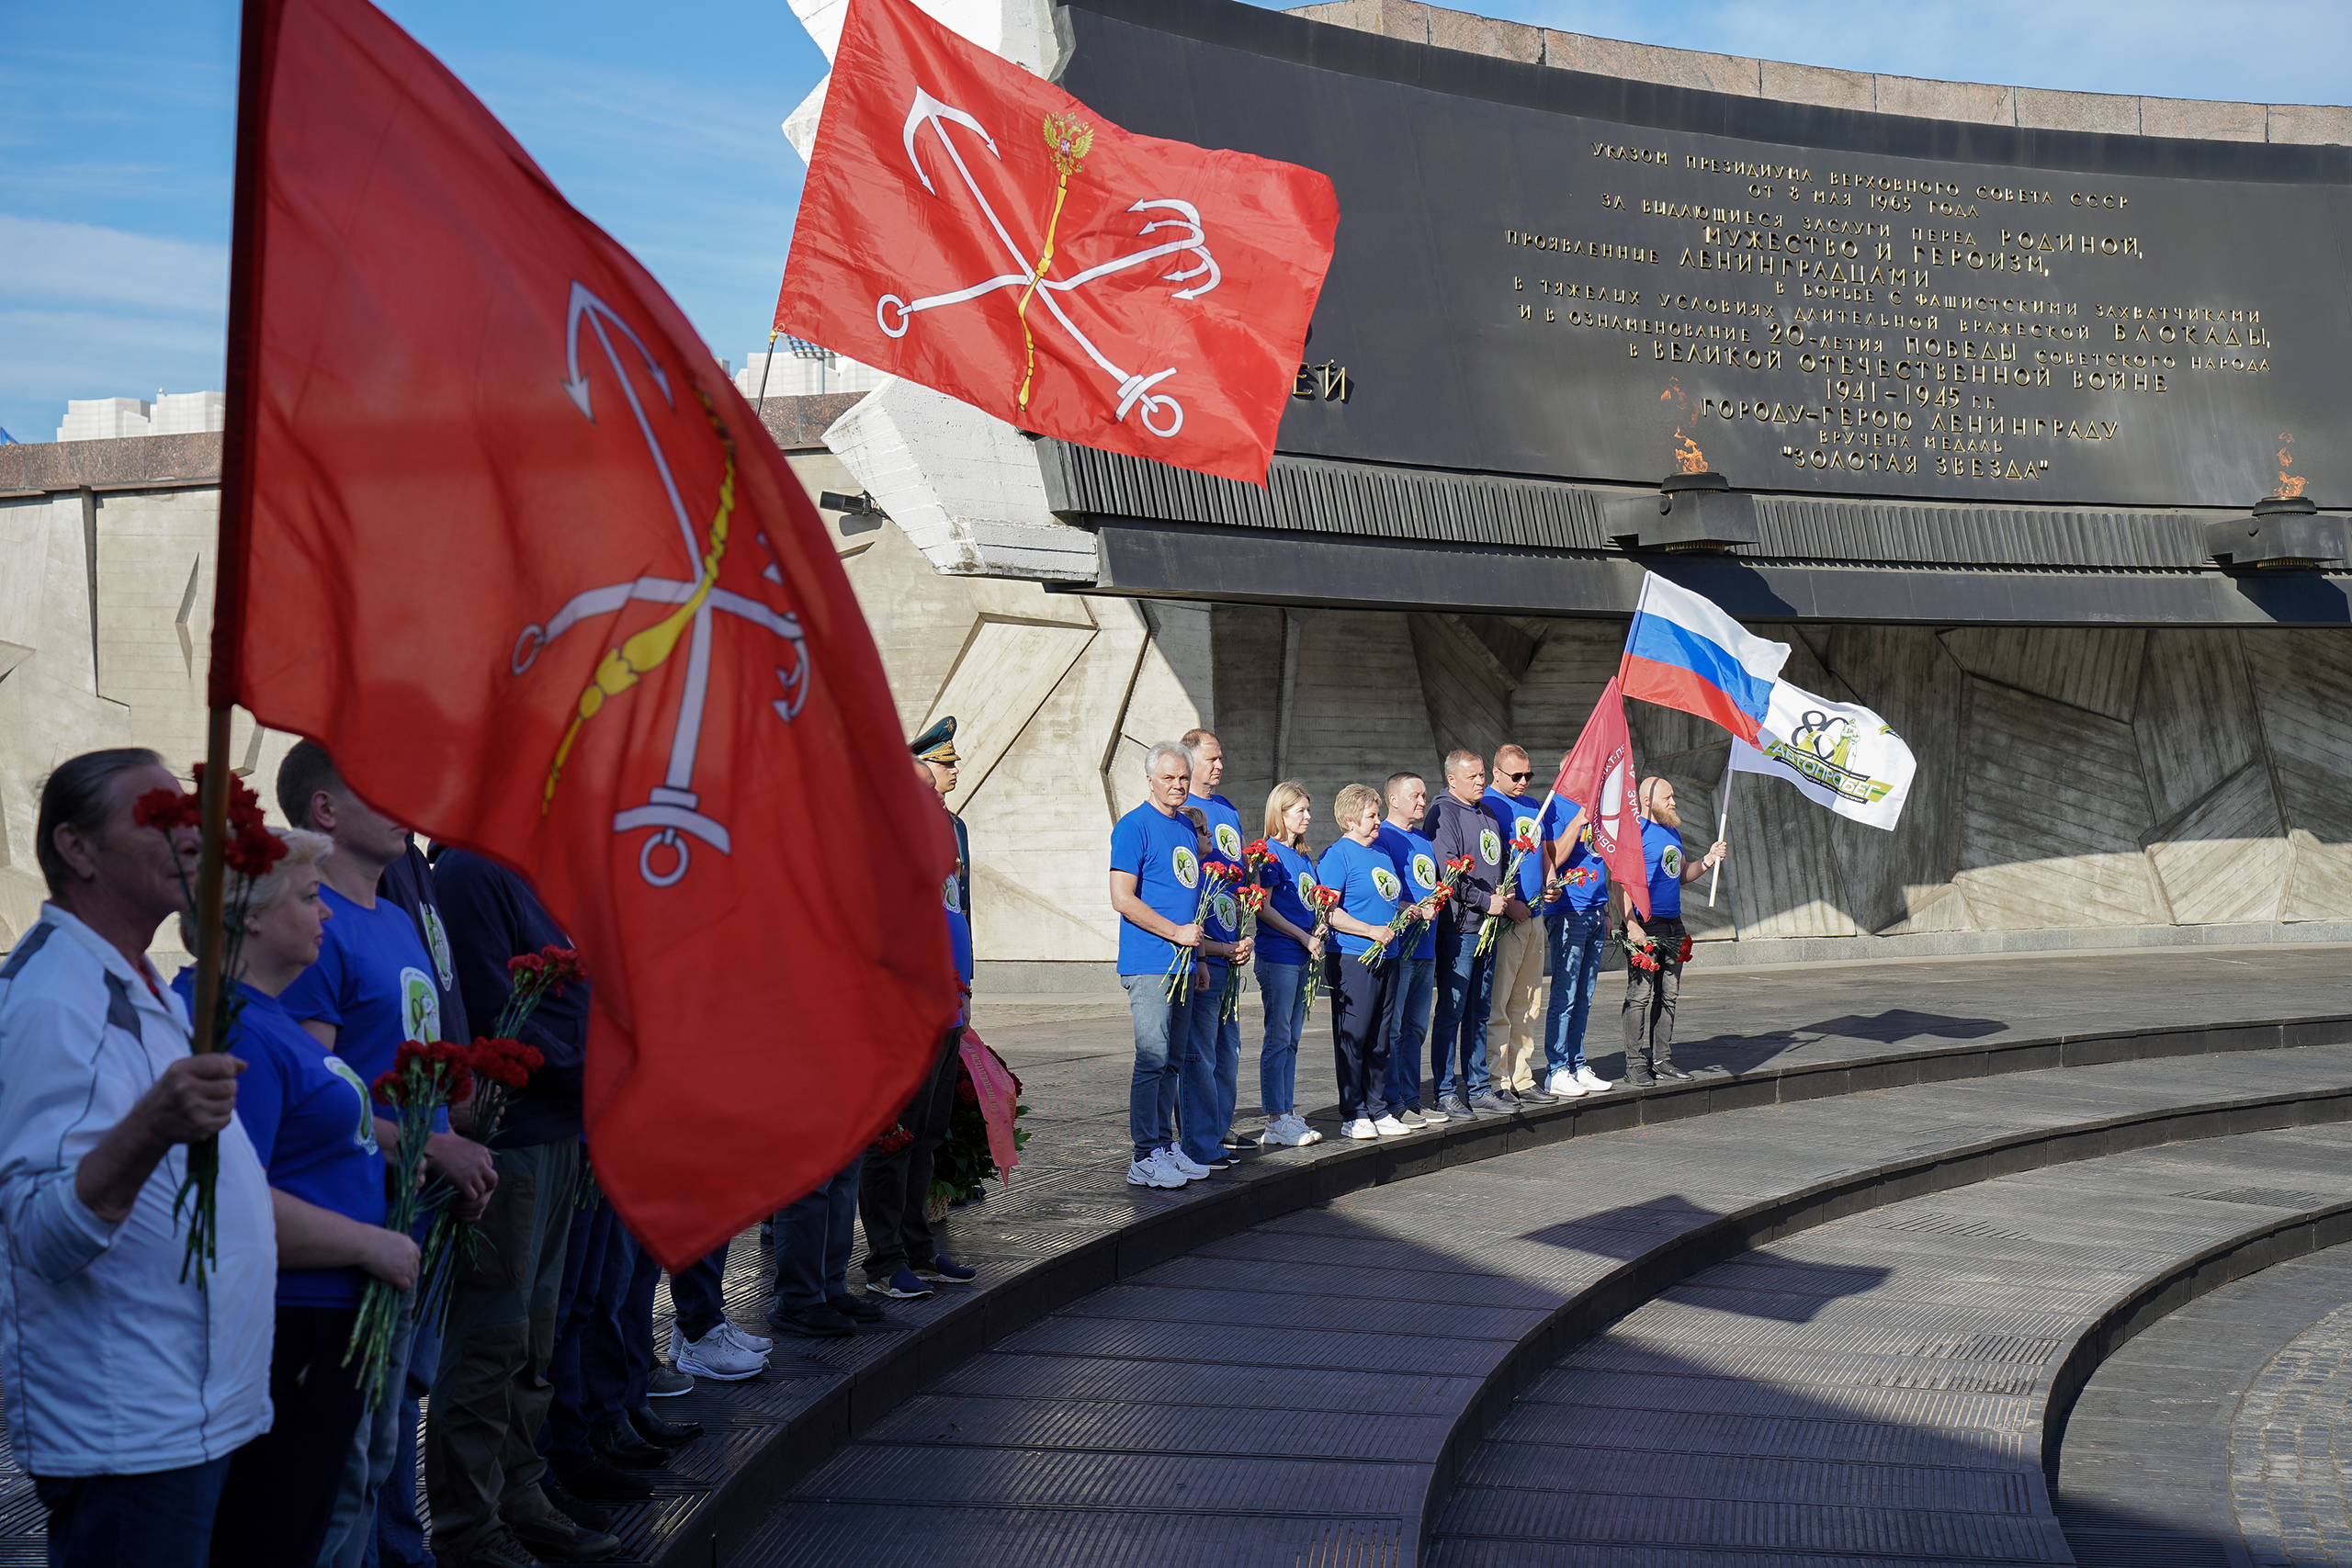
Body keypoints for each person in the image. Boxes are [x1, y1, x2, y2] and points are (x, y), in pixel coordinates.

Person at [0, 750, 274, 1568]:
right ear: (78, 849)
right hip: (132, 1433)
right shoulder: (53, 999)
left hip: (185, 1418)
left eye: (189, 813)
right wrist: (153, 1122)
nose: (189, 831)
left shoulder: (132, 984)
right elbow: (40, 1234)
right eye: (157, 815)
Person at [275, 740, 496, 1568]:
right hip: (353, 1218)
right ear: (325, 810)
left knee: (400, 1403)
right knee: (352, 1438)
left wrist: (452, 1149)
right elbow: (315, 1096)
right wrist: (428, 1145)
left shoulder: (399, 916)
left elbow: (421, 1064)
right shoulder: (314, 927)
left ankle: (401, 1551)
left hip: (418, 1205)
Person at [167, 828, 415, 1567]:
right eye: (310, 897)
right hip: (290, 1322)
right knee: (274, 1533)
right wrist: (372, 1242)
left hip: (322, 1319)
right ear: (248, 914)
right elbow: (229, 1195)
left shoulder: (268, 1020)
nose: (328, 914)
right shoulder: (233, 1023)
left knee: (313, 1520)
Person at [426, 847, 632, 1567]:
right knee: (492, 1340)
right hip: (511, 1137)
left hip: (555, 1131)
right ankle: (466, 1526)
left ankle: (519, 1494)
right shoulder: (472, 871)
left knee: (532, 1337)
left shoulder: (531, 865)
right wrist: (601, 1059)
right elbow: (492, 1010)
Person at [857, 755, 980, 1303]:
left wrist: (964, 991)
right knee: (893, 1138)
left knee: (926, 1134)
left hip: (946, 1006)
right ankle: (885, 1259)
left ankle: (916, 1247)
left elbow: (954, 918)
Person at [1110, 742, 1211, 1190]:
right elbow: (1122, 898)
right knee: (1151, 1059)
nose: (1177, 785)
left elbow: (1191, 899)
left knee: (1173, 1060)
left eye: (1183, 777)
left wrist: (1200, 958)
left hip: (1186, 963)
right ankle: (1143, 1155)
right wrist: (1175, 934)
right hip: (1151, 961)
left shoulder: (1187, 829)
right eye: (1168, 777)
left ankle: (1164, 1146)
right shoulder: (1134, 826)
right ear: (1150, 779)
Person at [1617, 777, 1727, 1086]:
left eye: (1674, 796)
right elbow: (1621, 882)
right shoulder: (1634, 832)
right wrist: (1631, 924)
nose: (1674, 802)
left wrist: (1707, 859)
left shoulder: (1672, 832)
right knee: (1639, 994)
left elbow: (1679, 875)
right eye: (1668, 797)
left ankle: (1662, 1059)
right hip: (1645, 923)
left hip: (1673, 923)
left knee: (1669, 994)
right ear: (1648, 801)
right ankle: (1635, 1064)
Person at [1316, 784, 1408, 1141]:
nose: (1378, 821)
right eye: (1372, 816)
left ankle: (1378, 1106)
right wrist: (1370, 930)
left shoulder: (1381, 854)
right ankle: (1353, 1111)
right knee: (1353, 1035)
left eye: (1378, 815)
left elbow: (1385, 898)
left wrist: (1407, 911)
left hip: (1388, 954)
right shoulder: (1338, 856)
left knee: (1381, 1036)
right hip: (1354, 957)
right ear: (1351, 820)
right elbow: (1328, 911)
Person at [1426, 750, 1504, 1120]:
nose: (1481, 780)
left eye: (1482, 774)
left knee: (1480, 1010)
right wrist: (1484, 900)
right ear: (1452, 780)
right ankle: (1444, 1091)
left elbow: (1496, 865)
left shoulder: (1487, 813)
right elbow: (1448, 875)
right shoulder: (1444, 815)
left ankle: (1479, 1086)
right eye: (1472, 776)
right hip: (1459, 930)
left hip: (1489, 928)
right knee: (1452, 1012)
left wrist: (1504, 895)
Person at [1182, 730, 1249, 1157]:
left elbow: (1240, 873)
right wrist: (1207, 949)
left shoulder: (1227, 809)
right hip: (1204, 947)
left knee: (1228, 1047)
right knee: (1199, 1051)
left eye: (1222, 757)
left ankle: (1220, 1127)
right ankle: (1199, 1138)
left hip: (1231, 941)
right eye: (1212, 758)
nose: (1220, 764)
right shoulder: (1184, 813)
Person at [1251, 784, 1324, 1148]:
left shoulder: (1301, 857)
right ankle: (1275, 1117)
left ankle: (1285, 1110)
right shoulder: (1269, 854)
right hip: (1279, 954)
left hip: (1299, 952)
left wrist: (1317, 927)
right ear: (1280, 814)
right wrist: (1302, 935)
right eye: (1300, 811)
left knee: (1291, 1038)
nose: (1308, 817)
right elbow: (1262, 907)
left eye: (1308, 810)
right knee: (1278, 1036)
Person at [1537, 764, 1615, 1100]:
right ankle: (1556, 1070)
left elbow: (1603, 861)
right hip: (1568, 911)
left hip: (1595, 911)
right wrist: (1577, 822)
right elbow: (1552, 857)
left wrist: (1608, 910)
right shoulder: (1556, 806)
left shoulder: (1600, 808)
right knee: (1565, 995)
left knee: (1584, 995)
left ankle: (1577, 1062)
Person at [1484, 745, 1555, 1108]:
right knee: (1501, 1000)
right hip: (1508, 919)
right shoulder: (1488, 806)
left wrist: (1552, 880)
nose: (1524, 782)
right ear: (1497, 773)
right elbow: (1486, 861)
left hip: (1536, 916)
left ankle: (1522, 1076)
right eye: (1516, 776)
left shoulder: (1533, 806)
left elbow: (1543, 852)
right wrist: (1507, 903)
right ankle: (1495, 1079)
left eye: (1528, 775)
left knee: (1529, 1001)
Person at [1374, 773, 1443, 1129]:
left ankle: (1413, 1100)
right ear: (1393, 800)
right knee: (1396, 1028)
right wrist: (1409, 908)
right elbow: (1383, 891)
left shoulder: (1423, 840)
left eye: (1424, 795)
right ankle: (1393, 1100)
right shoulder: (1383, 837)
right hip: (1401, 946)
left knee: (1416, 1026)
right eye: (1414, 795)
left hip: (1426, 946)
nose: (1421, 801)